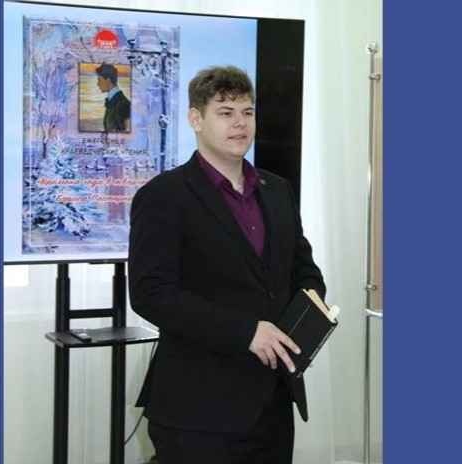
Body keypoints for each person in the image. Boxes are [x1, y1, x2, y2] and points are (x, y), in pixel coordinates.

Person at [128, 65, 326, 464]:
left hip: (273, 401)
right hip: (198, 409)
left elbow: (304, 271)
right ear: (195, 119)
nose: (240, 123)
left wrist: (307, 319)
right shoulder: (163, 195)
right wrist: (246, 331)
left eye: (247, 112)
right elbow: (151, 294)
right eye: (225, 112)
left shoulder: (278, 189)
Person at [95, 63, 131, 132]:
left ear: (108, 81)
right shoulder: (113, 101)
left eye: (99, 79)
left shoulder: (122, 105)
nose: (98, 84)